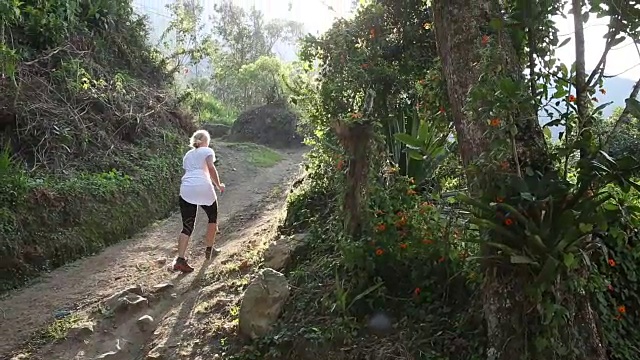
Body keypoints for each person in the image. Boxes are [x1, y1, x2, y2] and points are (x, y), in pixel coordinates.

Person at [173, 130, 225, 273]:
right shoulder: (207, 150)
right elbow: (210, 167)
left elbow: (190, 171)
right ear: (204, 141)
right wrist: (218, 184)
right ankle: (209, 249)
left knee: (187, 226)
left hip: (186, 189)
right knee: (212, 218)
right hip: (203, 187)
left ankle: (180, 259)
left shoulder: (187, 155)